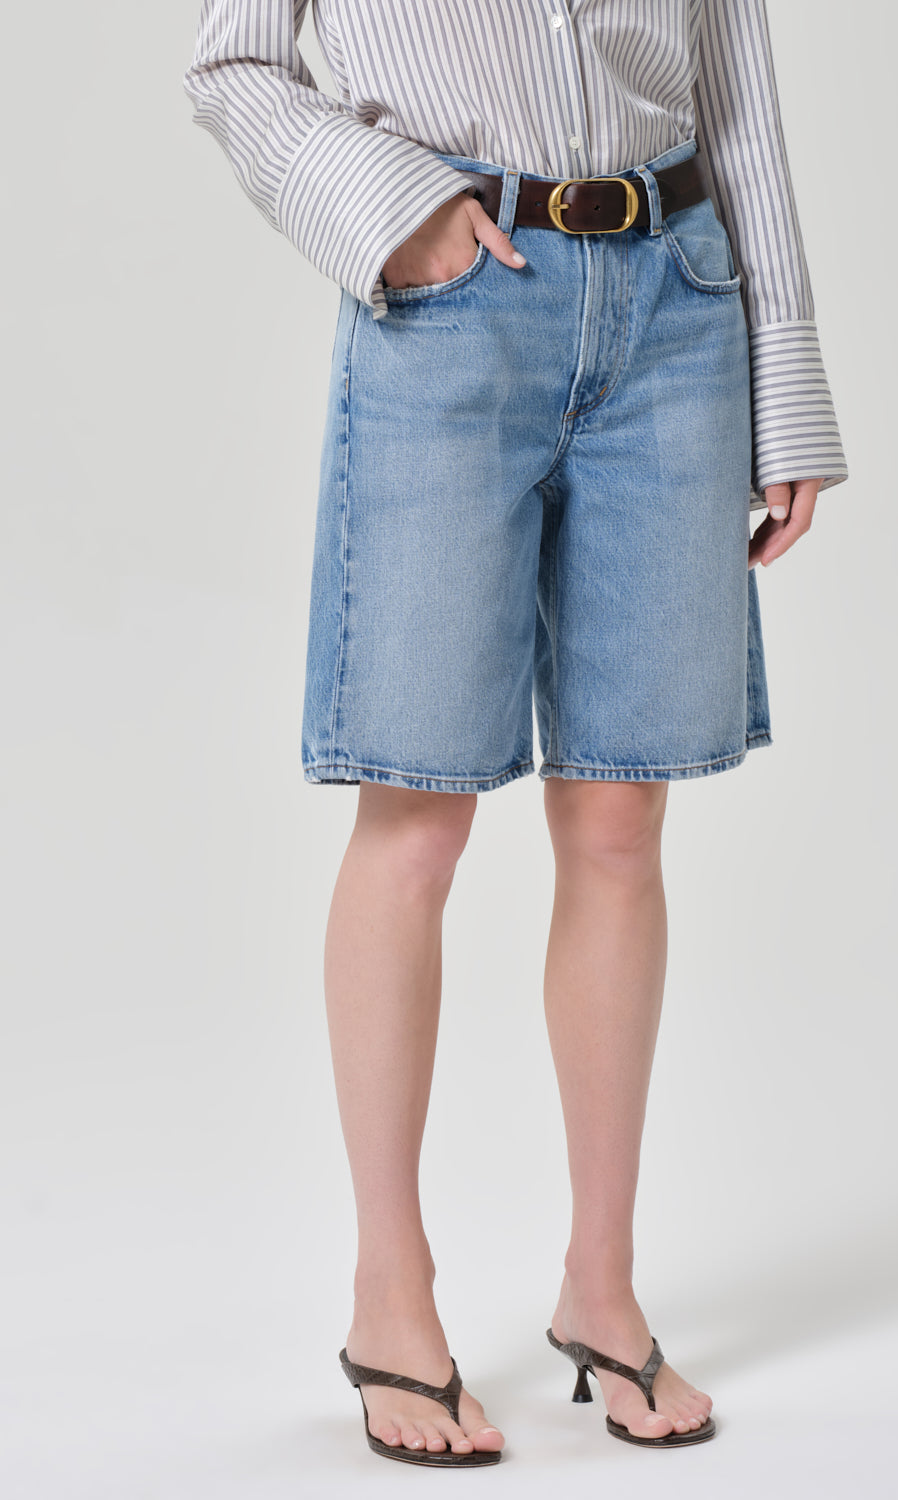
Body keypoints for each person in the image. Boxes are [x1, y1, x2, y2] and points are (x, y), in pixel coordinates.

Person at [182, 0, 848, 1469]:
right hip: (451, 307)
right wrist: (391, 210)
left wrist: (787, 376)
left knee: (621, 821)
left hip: (678, 300)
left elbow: (735, 82)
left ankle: (601, 1287)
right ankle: (390, 1294)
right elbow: (231, 59)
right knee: (417, 813)